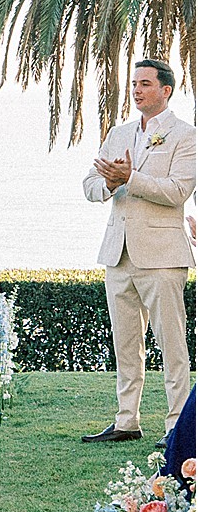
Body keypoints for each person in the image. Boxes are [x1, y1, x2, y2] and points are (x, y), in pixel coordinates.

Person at [81, 58, 196, 443]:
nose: (136, 90)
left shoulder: (186, 135)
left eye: (145, 83)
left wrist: (131, 177)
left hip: (163, 256)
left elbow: (178, 191)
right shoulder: (119, 133)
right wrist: (111, 185)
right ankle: (126, 420)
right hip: (118, 255)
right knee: (125, 344)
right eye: (134, 83)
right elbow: (90, 184)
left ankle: (178, 427)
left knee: (171, 346)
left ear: (165, 90)